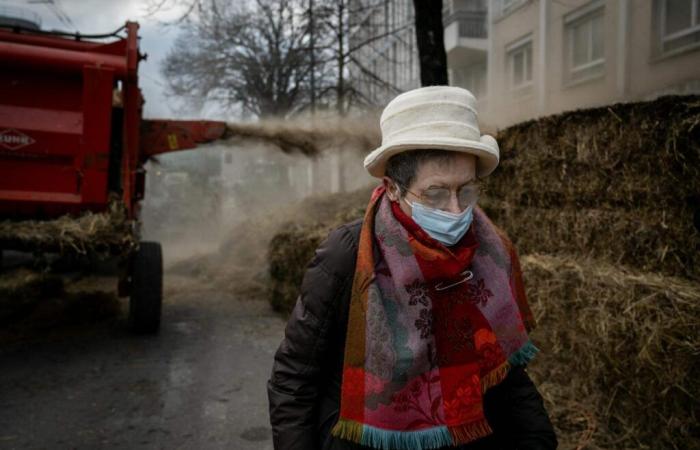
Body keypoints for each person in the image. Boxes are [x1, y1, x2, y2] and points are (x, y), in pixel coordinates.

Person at [267, 86, 558, 450]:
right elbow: (294, 377)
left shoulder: (490, 254)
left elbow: (507, 378)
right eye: (435, 194)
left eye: (466, 191)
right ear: (392, 188)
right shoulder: (349, 257)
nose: (456, 211)